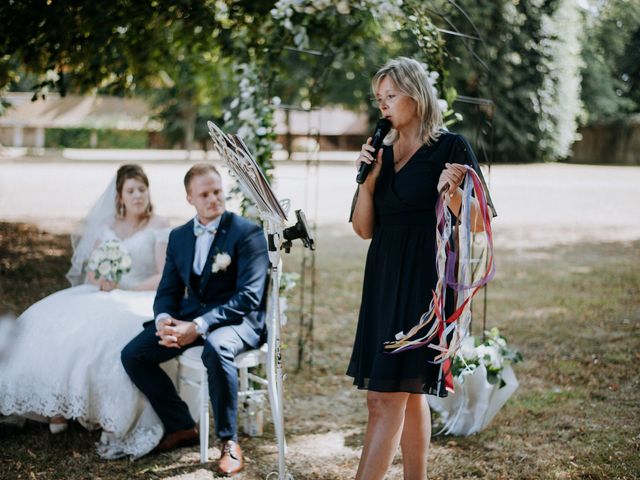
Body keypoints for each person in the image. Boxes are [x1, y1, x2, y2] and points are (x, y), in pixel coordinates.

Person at [347, 57, 491, 480]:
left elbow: (480, 223)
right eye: (379, 98)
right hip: (383, 278)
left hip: (422, 282)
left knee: (383, 398)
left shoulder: (451, 147)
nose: (383, 104)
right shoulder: (382, 151)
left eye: (391, 95)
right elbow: (362, 228)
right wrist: (369, 178)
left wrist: (452, 196)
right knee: (407, 394)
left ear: (416, 94)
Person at [0, 164, 171, 459]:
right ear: (120, 195)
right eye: (131, 190)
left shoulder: (159, 225)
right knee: (45, 320)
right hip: (101, 292)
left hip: (141, 294)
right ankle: (55, 407)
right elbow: (92, 272)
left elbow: (163, 274)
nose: (138, 195)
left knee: (108, 335)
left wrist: (127, 288)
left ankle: (106, 413)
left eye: (142, 189)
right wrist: (103, 281)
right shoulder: (107, 226)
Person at [121, 163, 269, 476]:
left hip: (238, 320)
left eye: (217, 191)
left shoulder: (247, 233)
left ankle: (229, 442)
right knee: (134, 355)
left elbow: (249, 297)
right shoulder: (179, 237)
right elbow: (167, 290)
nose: (214, 198)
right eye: (205, 194)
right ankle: (181, 425)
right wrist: (163, 318)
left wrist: (199, 327)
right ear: (190, 199)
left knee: (216, 347)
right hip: (191, 318)